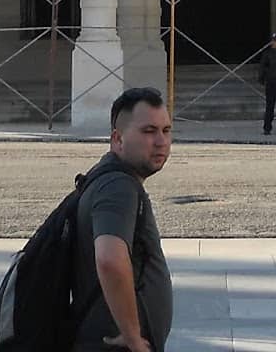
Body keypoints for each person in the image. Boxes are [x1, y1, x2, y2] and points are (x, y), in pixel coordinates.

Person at [72, 86, 174, 352]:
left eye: (166, 130)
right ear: (117, 140)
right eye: (149, 131)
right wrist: (132, 337)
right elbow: (109, 258)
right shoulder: (119, 186)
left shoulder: (110, 178)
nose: (161, 142)